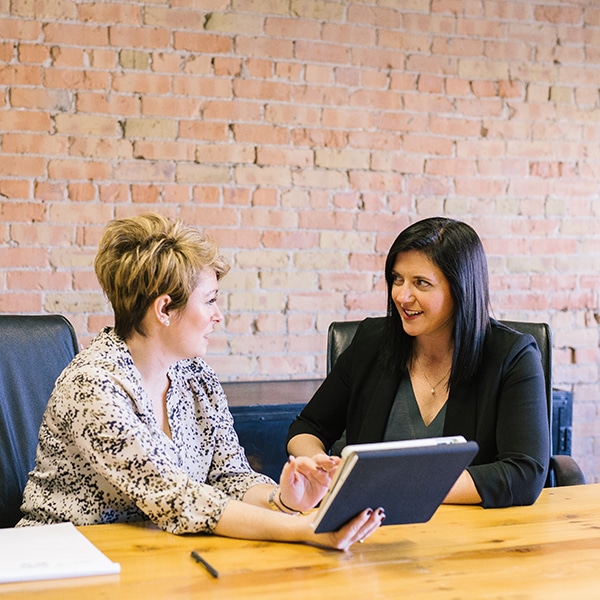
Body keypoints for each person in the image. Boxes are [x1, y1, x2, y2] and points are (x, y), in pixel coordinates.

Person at [18, 213, 384, 550]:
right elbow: (178, 498)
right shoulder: (93, 386)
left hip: (156, 553)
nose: (218, 316)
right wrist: (306, 529)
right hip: (61, 559)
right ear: (164, 309)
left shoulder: (195, 375)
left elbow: (229, 475)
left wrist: (284, 500)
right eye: (209, 301)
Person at [287, 217, 550, 508]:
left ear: (461, 288)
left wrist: (395, 486)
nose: (402, 295)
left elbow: (524, 473)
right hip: (368, 528)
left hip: (469, 532)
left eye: (421, 283)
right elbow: (307, 427)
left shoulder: (512, 356)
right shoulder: (371, 342)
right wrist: (316, 464)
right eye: (397, 279)